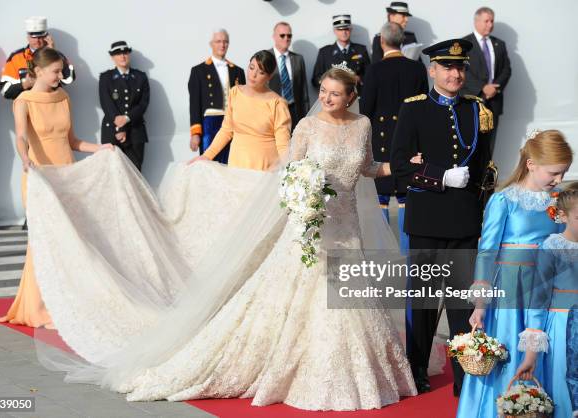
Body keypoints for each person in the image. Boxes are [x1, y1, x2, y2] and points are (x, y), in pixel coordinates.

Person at [22, 66, 422, 411]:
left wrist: (402, 165)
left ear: (351, 96)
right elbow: (290, 174)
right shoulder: (306, 126)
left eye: (336, 94)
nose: (328, 99)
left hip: (346, 228)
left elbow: (367, 167)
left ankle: (359, 374)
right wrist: (303, 198)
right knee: (307, 298)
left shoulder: (362, 125)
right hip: (310, 228)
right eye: (323, 93)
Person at [390, 39, 494, 396]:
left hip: (464, 219)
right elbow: (400, 167)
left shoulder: (476, 109)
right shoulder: (414, 109)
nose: (455, 73)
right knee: (423, 300)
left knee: (462, 302)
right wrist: (439, 176)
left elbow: (483, 170)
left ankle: (465, 375)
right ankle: (416, 369)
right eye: (447, 67)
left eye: (460, 67)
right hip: (427, 220)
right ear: (432, 70)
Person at [456, 130, 573, 418]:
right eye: (554, 172)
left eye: (563, 173)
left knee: (548, 351)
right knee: (509, 351)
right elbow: (487, 252)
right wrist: (481, 305)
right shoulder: (504, 200)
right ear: (531, 164)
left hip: (548, 289)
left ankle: (539, 407)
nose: (558, 180)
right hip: (510, 289)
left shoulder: (558, 201)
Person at [0, 48, 112, 328]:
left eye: (61, 71)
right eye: (56, 72)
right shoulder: (23, 101)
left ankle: (63, 302)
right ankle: (36, 307)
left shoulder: (63, 97)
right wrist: (25, 159)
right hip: (38, 177)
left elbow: (72, 141)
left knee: (68, 240)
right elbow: (22, 137)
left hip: (66, 176)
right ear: (38, 71)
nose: (61, 76)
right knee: (43, 242)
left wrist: (101, 148)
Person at [360, 22, 428, 253]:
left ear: (381, 41)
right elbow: (423, 108)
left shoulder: (374, 70)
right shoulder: (417, 69)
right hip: (409, 143)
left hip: (381, 143)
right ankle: (407, 251)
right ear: (403, 42)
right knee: (405, 198)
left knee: (381, 197)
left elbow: (366, 110)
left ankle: (382, 251)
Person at [513, 183, 578, 418]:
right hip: (563, 328)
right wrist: (531, 354)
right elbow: (538, 300)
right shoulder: (551, 247)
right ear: (562, 216)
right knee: (564, 386)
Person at [191, 50, 290, 171]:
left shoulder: (278, 103)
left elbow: (283, 145)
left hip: (265, 169)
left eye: (261, 72)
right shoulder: (235, 93)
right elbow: (226, 130)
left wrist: (289, 172)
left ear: (269, 76)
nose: (253, 75)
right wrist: (207, 156)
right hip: (236, 165)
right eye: (251, 67)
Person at [188, 29, 245, 164]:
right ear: (211, 44)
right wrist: (195, 133)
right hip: (210, 123)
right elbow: (195, 104)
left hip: (233, 123)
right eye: (218, 41)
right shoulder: (198, 71)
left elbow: (243, 103)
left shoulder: (238, 71)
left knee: (232, 162)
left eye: (225, 41)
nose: (222, 45)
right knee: (209, 164)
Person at [461, 7, 511, 157]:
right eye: (486, 21)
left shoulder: (499, 44)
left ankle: (486, 178)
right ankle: (471, 178)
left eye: (492, 21)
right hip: (471, 101)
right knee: (470, 143)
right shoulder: (464, 43)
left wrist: (495, 88)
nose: (490, 24)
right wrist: (483, 88)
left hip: (493, 102)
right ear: (476, 21)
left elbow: (506, 70)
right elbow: (463, 71)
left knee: (490, 145)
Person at [99, 41, 150, 171]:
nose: (122, 56)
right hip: (111, 132)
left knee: (135, 171)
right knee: (112, 172)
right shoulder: (105, 78)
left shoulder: (140, 77)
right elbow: (106, 103)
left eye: (125, 53)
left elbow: (143, 104)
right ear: (112, 57)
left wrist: (126, 119)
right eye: (118, 54)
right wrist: (118, 126)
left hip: (135, 131)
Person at [0, 16, 75, 100]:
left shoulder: (56, 54)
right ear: (27, 37)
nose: (37, 41)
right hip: (27, 109)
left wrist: (52, 54)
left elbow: (69, 79)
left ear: (47, 37)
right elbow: (5, 91)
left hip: (52, 105)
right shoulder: (16, 58)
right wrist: (25, 84)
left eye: (40, 37)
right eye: (33, 37)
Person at [312, 15, 370, 95]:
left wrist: (359, 79)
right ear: (334, 31)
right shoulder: (325, 52)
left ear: (351, 29)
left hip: (356, 97)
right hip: (334, 99)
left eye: (346, 29)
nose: (344, 32)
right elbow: (315, 79)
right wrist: (332, 81)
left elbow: (370, 75)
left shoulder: (361, 50)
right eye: (340, 29)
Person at [268, 22, 310, 131]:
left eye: (289, 35)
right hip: (272, 112)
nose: (286, 38)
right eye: (282, 35)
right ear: (274, 37)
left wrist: (307, 117)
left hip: (294, 111)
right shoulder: (265, 57)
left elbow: (303, 91)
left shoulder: (298, 59)